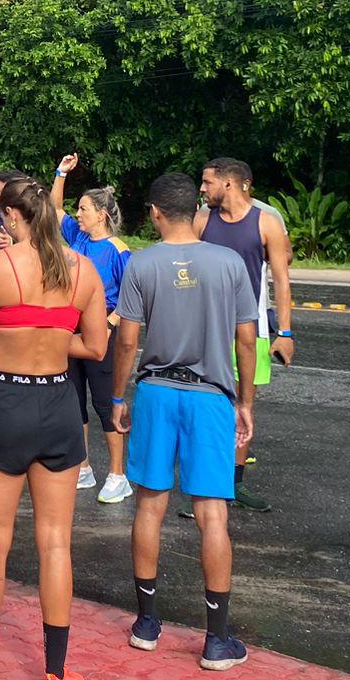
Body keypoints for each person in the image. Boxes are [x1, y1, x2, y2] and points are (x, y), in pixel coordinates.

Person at [0, 176, 109, 680]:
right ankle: (55, 670)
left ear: (13, 217)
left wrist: (8, 332)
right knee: (56, 543)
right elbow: (98, 347)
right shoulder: (83, 269)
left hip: (5, 397)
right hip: (59, 401)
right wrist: (53, 337)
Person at [113, 171, 257, 671]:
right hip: (210, 397)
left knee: (149, 505)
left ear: (154, 212)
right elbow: (245, 340)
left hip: (155, 391)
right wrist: (245, 402)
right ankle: (217, 639)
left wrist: (117, 396)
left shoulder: (141, 263)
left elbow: (127, 340)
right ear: (197, 210)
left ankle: (147, 624)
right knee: (211, 514)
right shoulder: (229, 262)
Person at [196, 158, 293, 512]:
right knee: (209, 405)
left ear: (232, 184)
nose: (203, 189)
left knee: (244, 405)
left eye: (208, 183)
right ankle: (208, 488)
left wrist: (286, 331)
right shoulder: (202, 220)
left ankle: (233, 486)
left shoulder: (266, 222)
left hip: (253, 328)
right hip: (208, 331)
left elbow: (282, 279)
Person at [51, 154, 133, 502]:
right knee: (73, 401)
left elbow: (132, 295)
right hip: (73, 329)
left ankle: (118, 474)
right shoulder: (78, 238)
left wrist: (111, 324)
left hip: (102, 330)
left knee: (104, 403)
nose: (77, 213)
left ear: (101, 214)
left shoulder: (118, 249)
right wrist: (61, 173)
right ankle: (83, 467)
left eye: (84, 209)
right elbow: (55, 209)